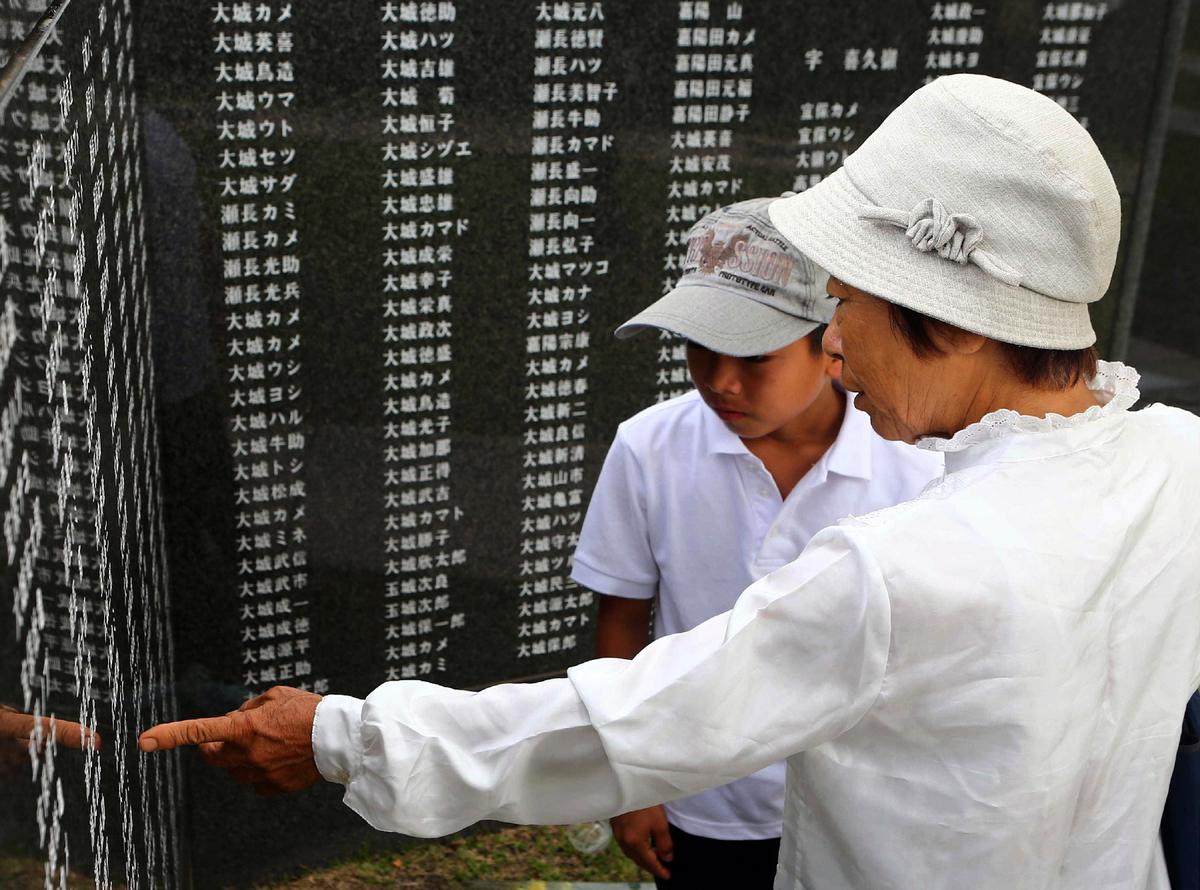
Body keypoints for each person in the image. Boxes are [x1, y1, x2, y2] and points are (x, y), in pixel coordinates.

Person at [139, 74, 1200, 890]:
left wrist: (337, 732)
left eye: (849, 301)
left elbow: (634, 722)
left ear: (952, 319)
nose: (835, 340)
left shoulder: (907, 568)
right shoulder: (1180, 462)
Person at [575, 196, 941, 886]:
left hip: (861, 803)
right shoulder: (651, 447)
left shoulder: (915, 465)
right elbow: (622, 616)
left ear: (832, 345)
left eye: (752, 357)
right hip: (701, 798)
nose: (720, 381)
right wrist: (630, 782)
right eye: (699, 351)